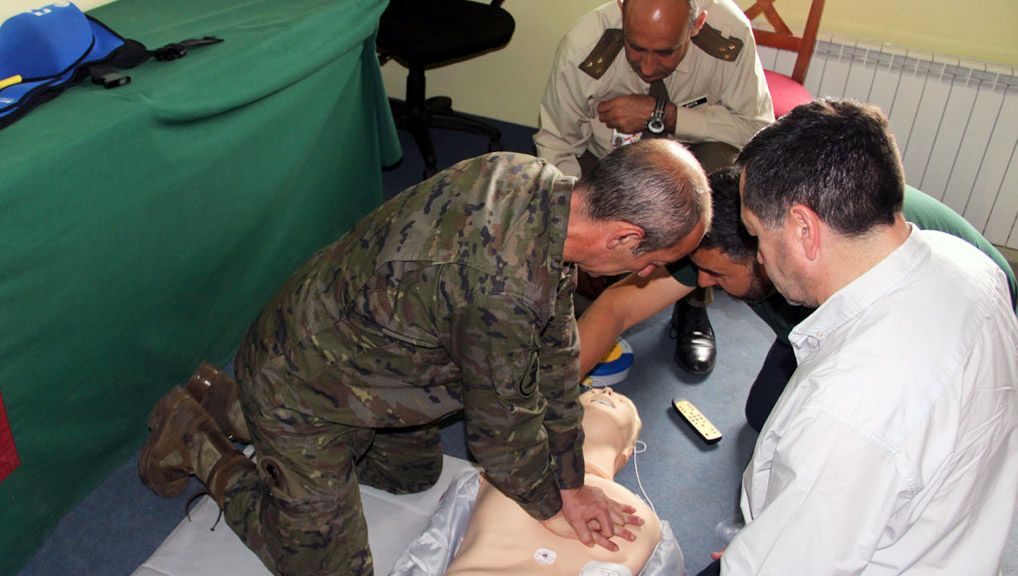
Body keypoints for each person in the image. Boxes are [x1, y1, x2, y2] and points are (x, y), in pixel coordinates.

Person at [138, 140, 712, 576]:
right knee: (327, 567)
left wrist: (572, 475)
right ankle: (194, 436)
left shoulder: (538, 185)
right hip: (299, 378)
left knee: (412, 476)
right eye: (653, 261)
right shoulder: (503, 284)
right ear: (621, 237)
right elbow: (501, 436)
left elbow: (555, 349)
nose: (645, 276)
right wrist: (552, 505)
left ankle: (233, 405)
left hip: (362, 354)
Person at [713, 98, 1018, 574]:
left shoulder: (848, 404)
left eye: (757, 235)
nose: (758, 258)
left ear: (804, 229)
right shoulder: (971, 265)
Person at [578, 167, 1018, 432]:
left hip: (958, 292)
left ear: (768, 255)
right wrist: (551, 387)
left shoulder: (834, 263)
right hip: (818, 301)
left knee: (849, 433)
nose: (703, 283)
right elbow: (618, 308)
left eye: (716, 274)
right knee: (765, 416)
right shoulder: (729, 236)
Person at [535, 0, 774, 377]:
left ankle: (692, 301)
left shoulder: (730, 36)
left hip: (690, 171)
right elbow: (556, 143)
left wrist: (663, 113)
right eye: (636, 48)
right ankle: (575, 299)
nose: (647, 67)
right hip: (610, 168)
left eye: (665, 52)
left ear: (697, 26)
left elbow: (757, 130)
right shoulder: (584, 44)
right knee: (580, 267)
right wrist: (582, 228)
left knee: (724, 171)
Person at [436, 387, 671, 576]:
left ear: (626, 455)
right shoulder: (507, 472)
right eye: (589, 394)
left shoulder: (641, 519)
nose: (607, 391)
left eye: (623, 404)